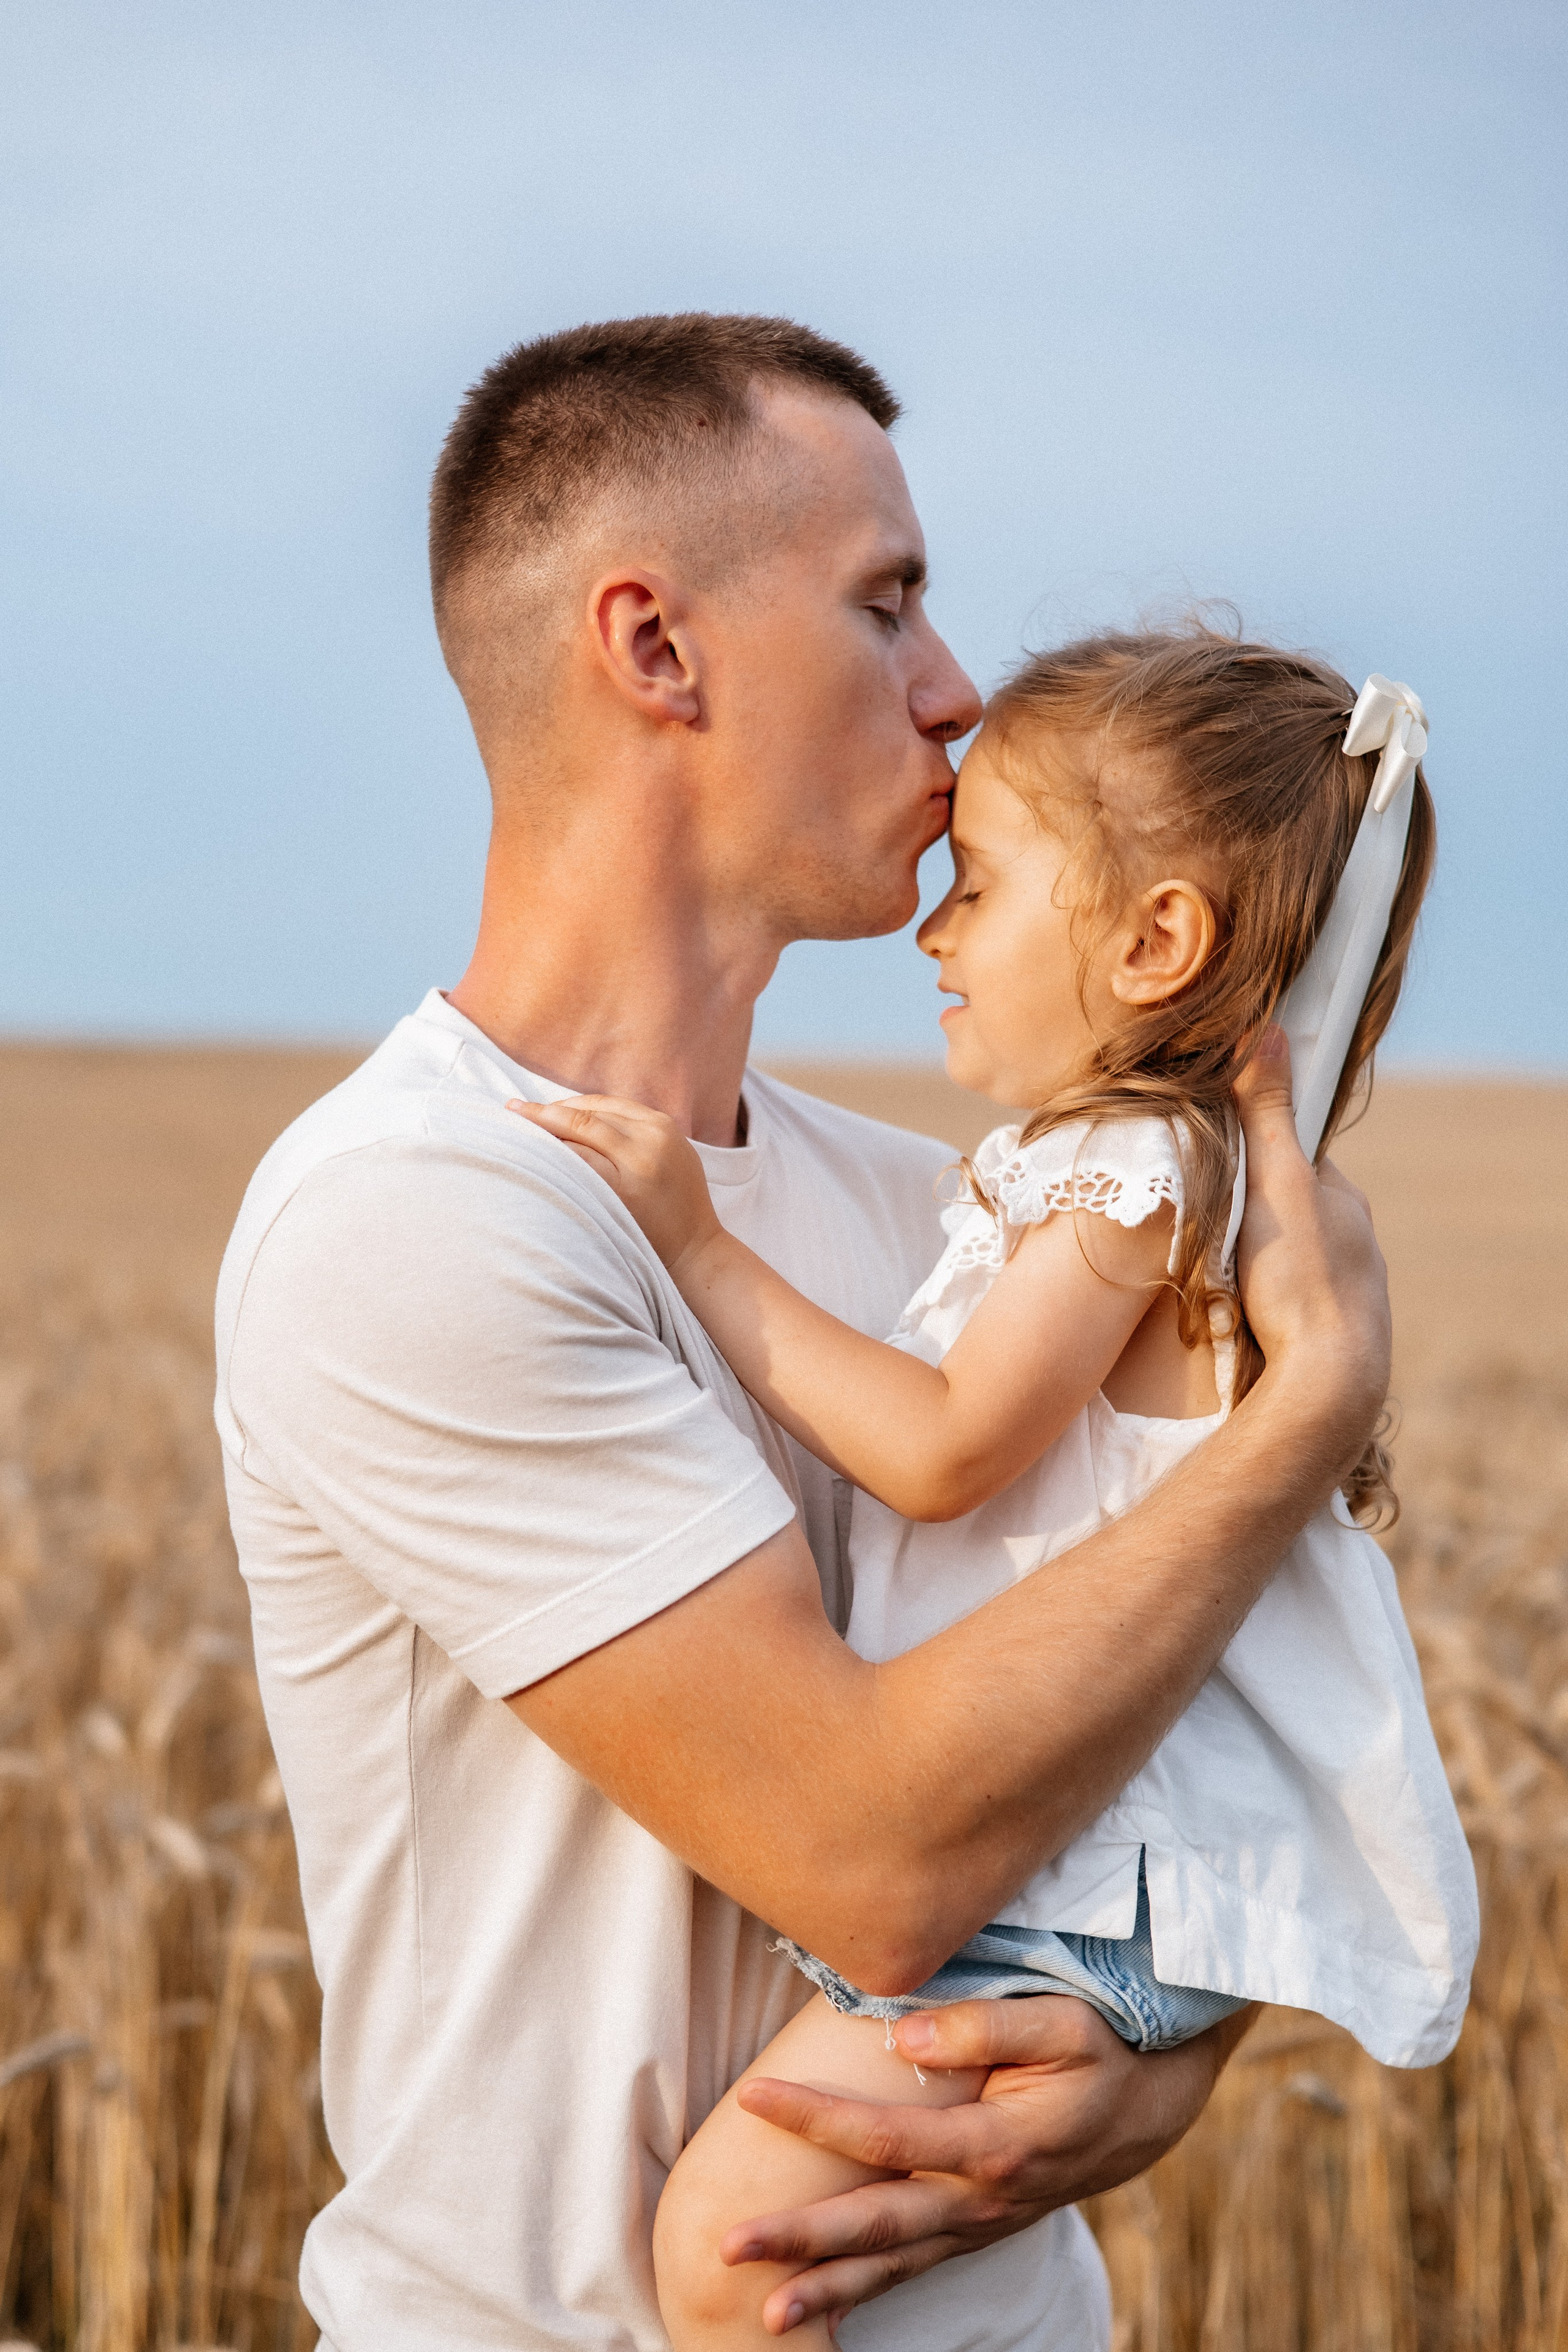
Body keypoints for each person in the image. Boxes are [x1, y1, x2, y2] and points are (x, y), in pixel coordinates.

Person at [214, 316, 1393, 2352]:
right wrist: (1314, 1418)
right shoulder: (415, 1218)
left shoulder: (942, 1210)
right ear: (657, 652)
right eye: (888, 603)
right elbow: (878, 1858)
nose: (957, 693)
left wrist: (1166, 2057)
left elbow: (1196, 1727)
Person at [514, 626, 1478, 2350]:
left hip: (1061, 1896)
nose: (937, 929)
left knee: (732, 2259)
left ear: (1155, 939)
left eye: (982, 881)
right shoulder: (1144, 1174)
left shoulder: (1122, 1168)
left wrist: (698, 1250)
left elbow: (947, 1451)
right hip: (1087, 1886)